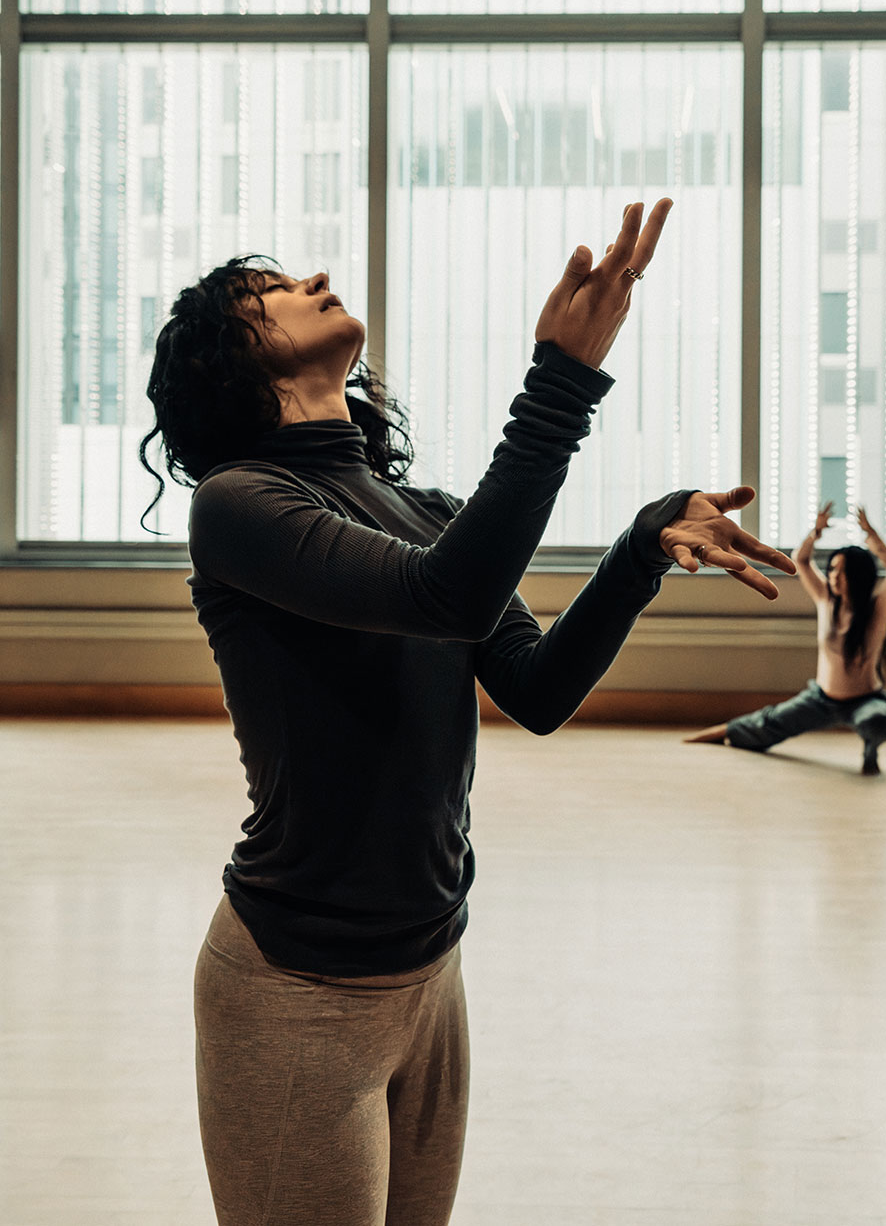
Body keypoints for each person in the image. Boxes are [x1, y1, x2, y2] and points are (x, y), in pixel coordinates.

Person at [139, 198, 796, 1226]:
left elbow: (534, 688)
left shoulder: (426, 512)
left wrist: (637, 548)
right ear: (230, 358)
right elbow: (445, 596)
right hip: (293, 985)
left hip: (429, 974)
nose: (307, 278)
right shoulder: (239, 503)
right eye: (265, 291)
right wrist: (561, 381)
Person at [684, 499, 886, 773]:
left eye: (842, 571)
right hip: (821, 700)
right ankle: (717, 734)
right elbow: (801, 559)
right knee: (766, 725)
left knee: (878, 720)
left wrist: (872, 536)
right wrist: (816, 532)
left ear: (858, 575)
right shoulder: (826, 599)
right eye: (833, 569)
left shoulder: (877, 610)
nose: (834, 575)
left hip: (867, 699)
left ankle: (870, 751)